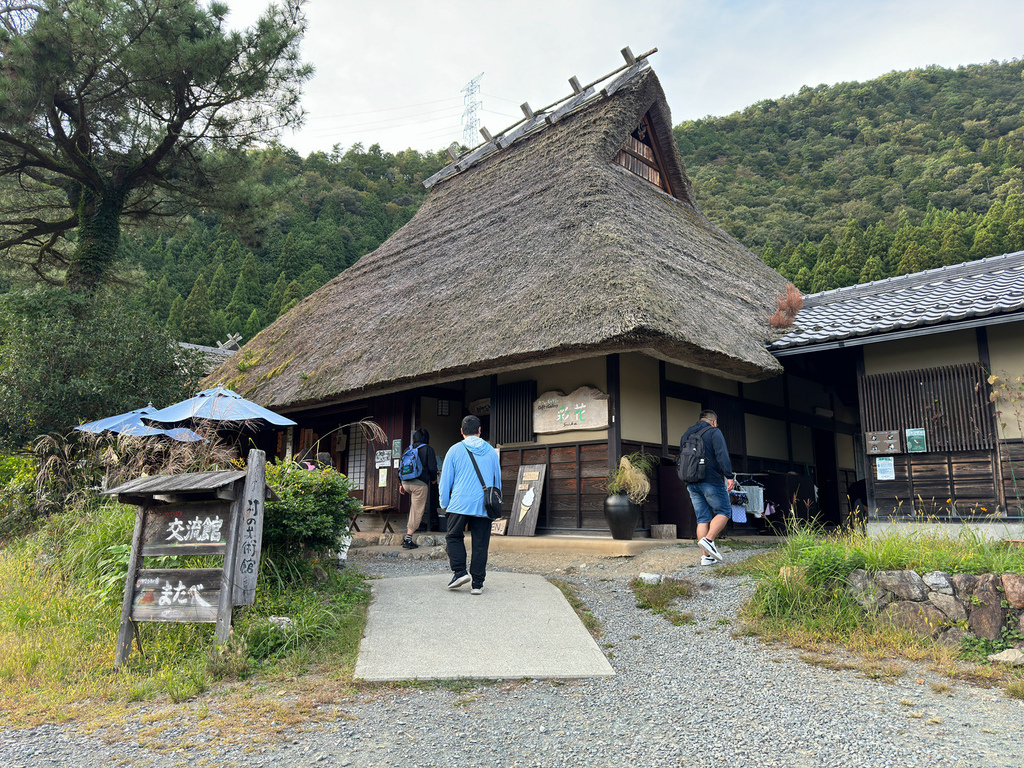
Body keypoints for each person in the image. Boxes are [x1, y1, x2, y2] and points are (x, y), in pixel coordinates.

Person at [439, 415, 501, 595]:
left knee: (453, 536)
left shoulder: (454, 450)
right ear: (480, 430)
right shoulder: (490, 451)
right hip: (484, 503)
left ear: (461, 431)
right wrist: (496, 502)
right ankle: (477, 584)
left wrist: (444, 502)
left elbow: (445, 481)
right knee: (481, 543)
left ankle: (459, 572)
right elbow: (497, 481)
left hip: (459, 503)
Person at [680, 409, 735, 565]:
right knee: (724, 511)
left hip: (691, 481)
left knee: (702, 518)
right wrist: (729, 476)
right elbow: (722, 454)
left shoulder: (687, 434)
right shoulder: (714, 432)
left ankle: (706, 557)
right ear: (714, 422)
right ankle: (709, 540)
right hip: (710, 480)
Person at [398, 428, 438, 549]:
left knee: (414, 508)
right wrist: (433, 479)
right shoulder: (428, 449)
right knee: (417, 510)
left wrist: (401, 483)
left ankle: (412, 530)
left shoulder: (408, 449)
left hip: (406, 483)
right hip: (419, 484)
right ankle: (408, 539)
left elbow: (400, 467)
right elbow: (432, 468)